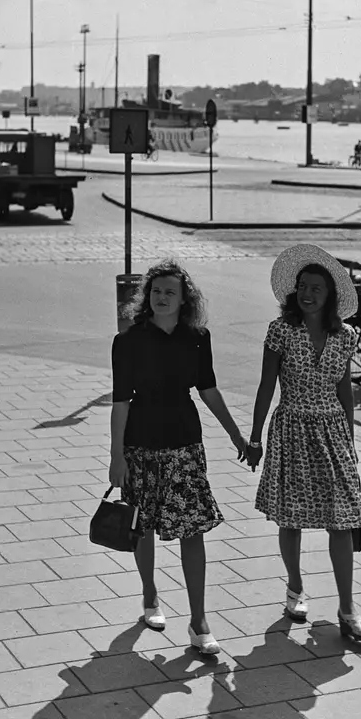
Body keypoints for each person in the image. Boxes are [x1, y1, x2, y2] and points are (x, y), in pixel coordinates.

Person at [110, 260, 247, 656]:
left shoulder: (198, 338)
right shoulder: (128, 341)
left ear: (185, 298)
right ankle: (149, 595)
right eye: (156, 291)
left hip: (185, 444)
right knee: (143, 526)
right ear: (147, 296)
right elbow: (120, 403)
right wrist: (116, 457)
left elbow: (208, 389)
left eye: (170, 292)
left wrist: (235, 434)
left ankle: (199, 620)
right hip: (140, 445)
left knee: (193, 530)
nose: (162, 297)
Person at [245, 244, 361, 643]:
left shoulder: (345, 336)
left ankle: (347, 608)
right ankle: (295, 588)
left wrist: (350, 442)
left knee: (343, 519)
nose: (307, 293)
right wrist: (254, 437)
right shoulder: (281, 330)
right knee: (292, 517)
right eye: (302, 286)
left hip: (332, 431)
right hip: (292, 427)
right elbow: (266, 387)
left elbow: (345, 391)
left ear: (330, 294)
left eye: (316, 288)